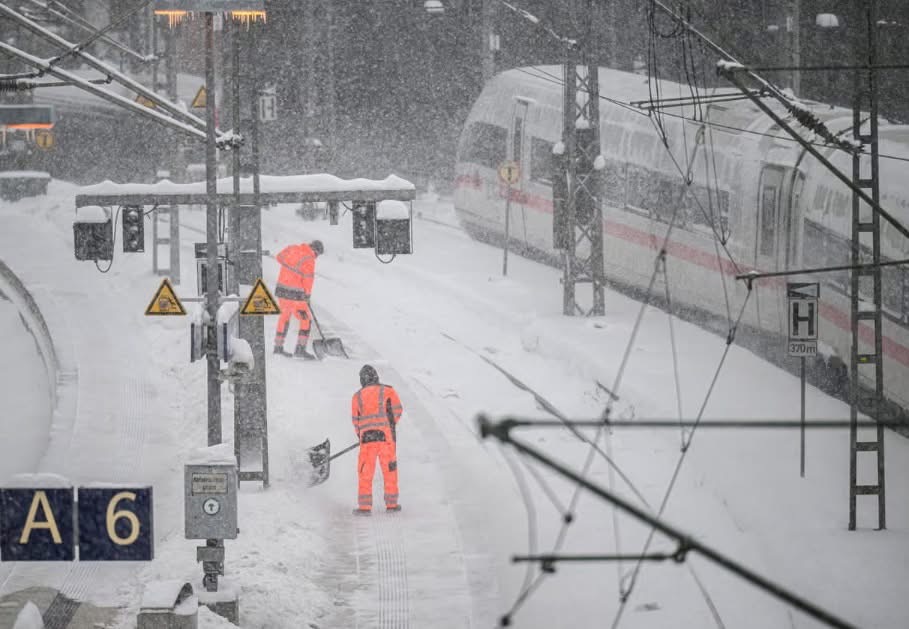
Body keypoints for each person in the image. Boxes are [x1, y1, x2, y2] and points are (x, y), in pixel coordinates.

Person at [350, 364, 403, 515]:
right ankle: (392, 505)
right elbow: (398, 410)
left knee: (365, 472)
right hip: (386, 438)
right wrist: (388, 425)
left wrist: (361, 435)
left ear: (362, 380)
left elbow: (355, 420)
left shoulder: (357, 397)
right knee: (389, 471)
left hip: (367, 440)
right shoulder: (388, 391)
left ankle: (364, 507)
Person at [273, 239, 323, 359]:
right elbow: (308, 279)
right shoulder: (309, 258)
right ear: (316, 251)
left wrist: (290, 268)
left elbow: (279, 258)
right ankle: (300, 349)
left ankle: (278, 347)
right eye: (317, 255)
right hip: (296, 294)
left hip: (282, 290)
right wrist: (307, 295)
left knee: (284, 317)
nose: (316, 257)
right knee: (305, 319)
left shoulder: (292, 248)